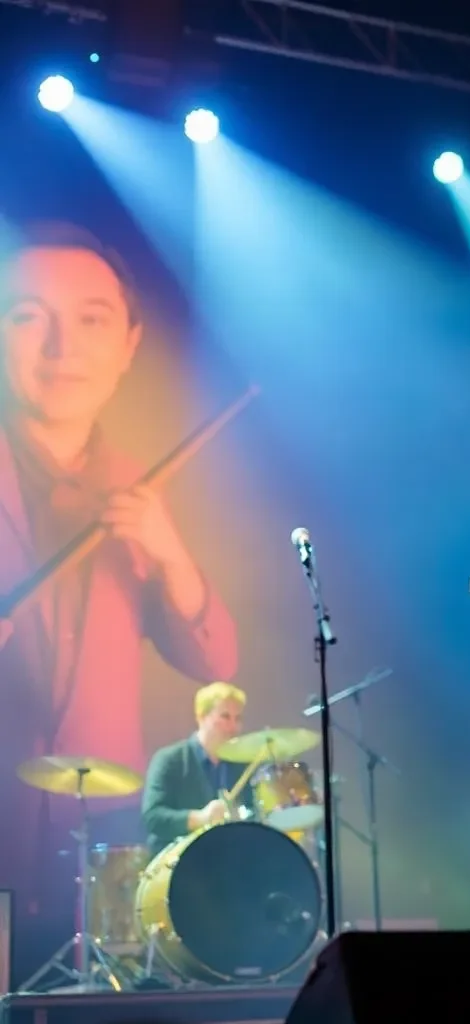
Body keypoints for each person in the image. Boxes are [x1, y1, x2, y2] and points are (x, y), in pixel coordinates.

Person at [0, 222, 238, 982]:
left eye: (91, 320)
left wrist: (167, 550)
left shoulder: (141, 483)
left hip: (98, 832)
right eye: (29, 316)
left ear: (130, 343)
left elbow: (213, 662)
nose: (60, 348)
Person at [142, 682, 251, 857]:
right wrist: (200, 818)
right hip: (177, 863)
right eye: (225, 717)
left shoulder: (241, 766)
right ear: (201, 717)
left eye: (238, 719)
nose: (233, 727)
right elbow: (153, 817)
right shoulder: (170, 760)